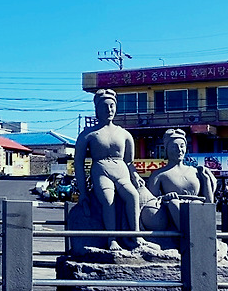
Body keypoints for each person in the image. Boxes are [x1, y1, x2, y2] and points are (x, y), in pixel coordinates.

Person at [73, 89, 144, 241]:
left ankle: (136, 235)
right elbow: (78, 162)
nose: (109, 109)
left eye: (112, 106)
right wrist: (83, 192)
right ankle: (111, 239)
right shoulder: (88, 134)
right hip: (101, 171)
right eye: (104, 106)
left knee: (133, 195)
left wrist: (135, 175)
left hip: (121, 172)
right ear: (97, 109)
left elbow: (129, 161)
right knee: (108, 199)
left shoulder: (124, 134)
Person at [141, 127, 218, 233]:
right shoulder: (159, 175)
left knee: (196, 204)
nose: (179, 150)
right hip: (173, 208)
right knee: (174, 204)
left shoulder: (196, 171)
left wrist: (206, 180)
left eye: (182, 146)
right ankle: (187, 234)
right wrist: (165, 197)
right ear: (166, 149)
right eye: (174, 146)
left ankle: (200, 235)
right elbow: (151, 201)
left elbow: (209, 202)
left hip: (195, 205)